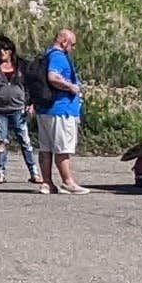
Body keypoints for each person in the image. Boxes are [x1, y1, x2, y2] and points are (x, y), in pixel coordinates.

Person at [40, 25, 83, 194]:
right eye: (73, 44)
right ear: (64, 41)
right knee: (63, 147)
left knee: (46, 148)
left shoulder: (47, 54)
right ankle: (68, 182)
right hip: (61, 109)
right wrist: (71, 86)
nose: (73, 48)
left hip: (46, 109)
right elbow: (53, 77)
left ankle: (47, 183)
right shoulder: (58, 57)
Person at [0, 36, 32, 180]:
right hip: (0, 110)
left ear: (11, 51)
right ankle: (1, 173)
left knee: (25, 140)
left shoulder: (21, 66)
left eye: (5, 49)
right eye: (0, 49)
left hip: (18, 108)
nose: (2, 52)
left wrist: (31, 103)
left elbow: (29, 86)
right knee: (1, 140)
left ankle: (34, 172)